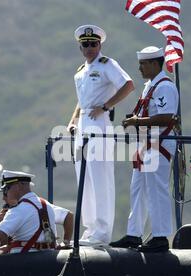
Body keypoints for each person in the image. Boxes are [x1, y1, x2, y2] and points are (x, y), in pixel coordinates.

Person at [66, 24, 134, 246]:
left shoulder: (107, 65)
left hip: (99, 122)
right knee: (83, 178)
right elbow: (81, 100)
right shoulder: (80, 71)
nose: (89, 48)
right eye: (85, 44)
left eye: (93, 43)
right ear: (80, 47)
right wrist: (73, 119)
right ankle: (90, 229)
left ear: (100, 44)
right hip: (84, 123)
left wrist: (106, 106)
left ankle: (102, 232)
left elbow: (128, 85)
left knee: (100, 177)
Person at [109, 46, 179, 252]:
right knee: (137, 190)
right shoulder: (150, 85)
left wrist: (137, 121)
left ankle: (160, 236)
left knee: (157, 191)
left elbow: (168, 117)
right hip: (146, 145)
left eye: (143, 64)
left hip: (159, 144)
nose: (139, 68)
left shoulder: (164, 86)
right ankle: (134, 233)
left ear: (154, 64)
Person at [0, 170, 65, 254]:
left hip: (24, 259)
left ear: (18, 186)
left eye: (6, 189)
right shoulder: (46, 204)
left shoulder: (19, 209)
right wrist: (66, 241)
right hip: (47, 256)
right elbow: (68, 216)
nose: (5, 194)